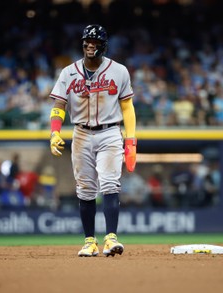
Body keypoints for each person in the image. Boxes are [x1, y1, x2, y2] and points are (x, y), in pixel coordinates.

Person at [48, 24, 137, 257]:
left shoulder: (119, 71)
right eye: (87, 41)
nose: (90, 44)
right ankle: (90, 242)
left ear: (103, 46)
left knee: (109, 183)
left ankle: (111, 238)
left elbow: (127, 106)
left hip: (110, 132)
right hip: (81, 133)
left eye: (95, 42)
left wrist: (131, 140)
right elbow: (59, 105)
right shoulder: (68, 72)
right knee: (86, 189)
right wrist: (55, 132)